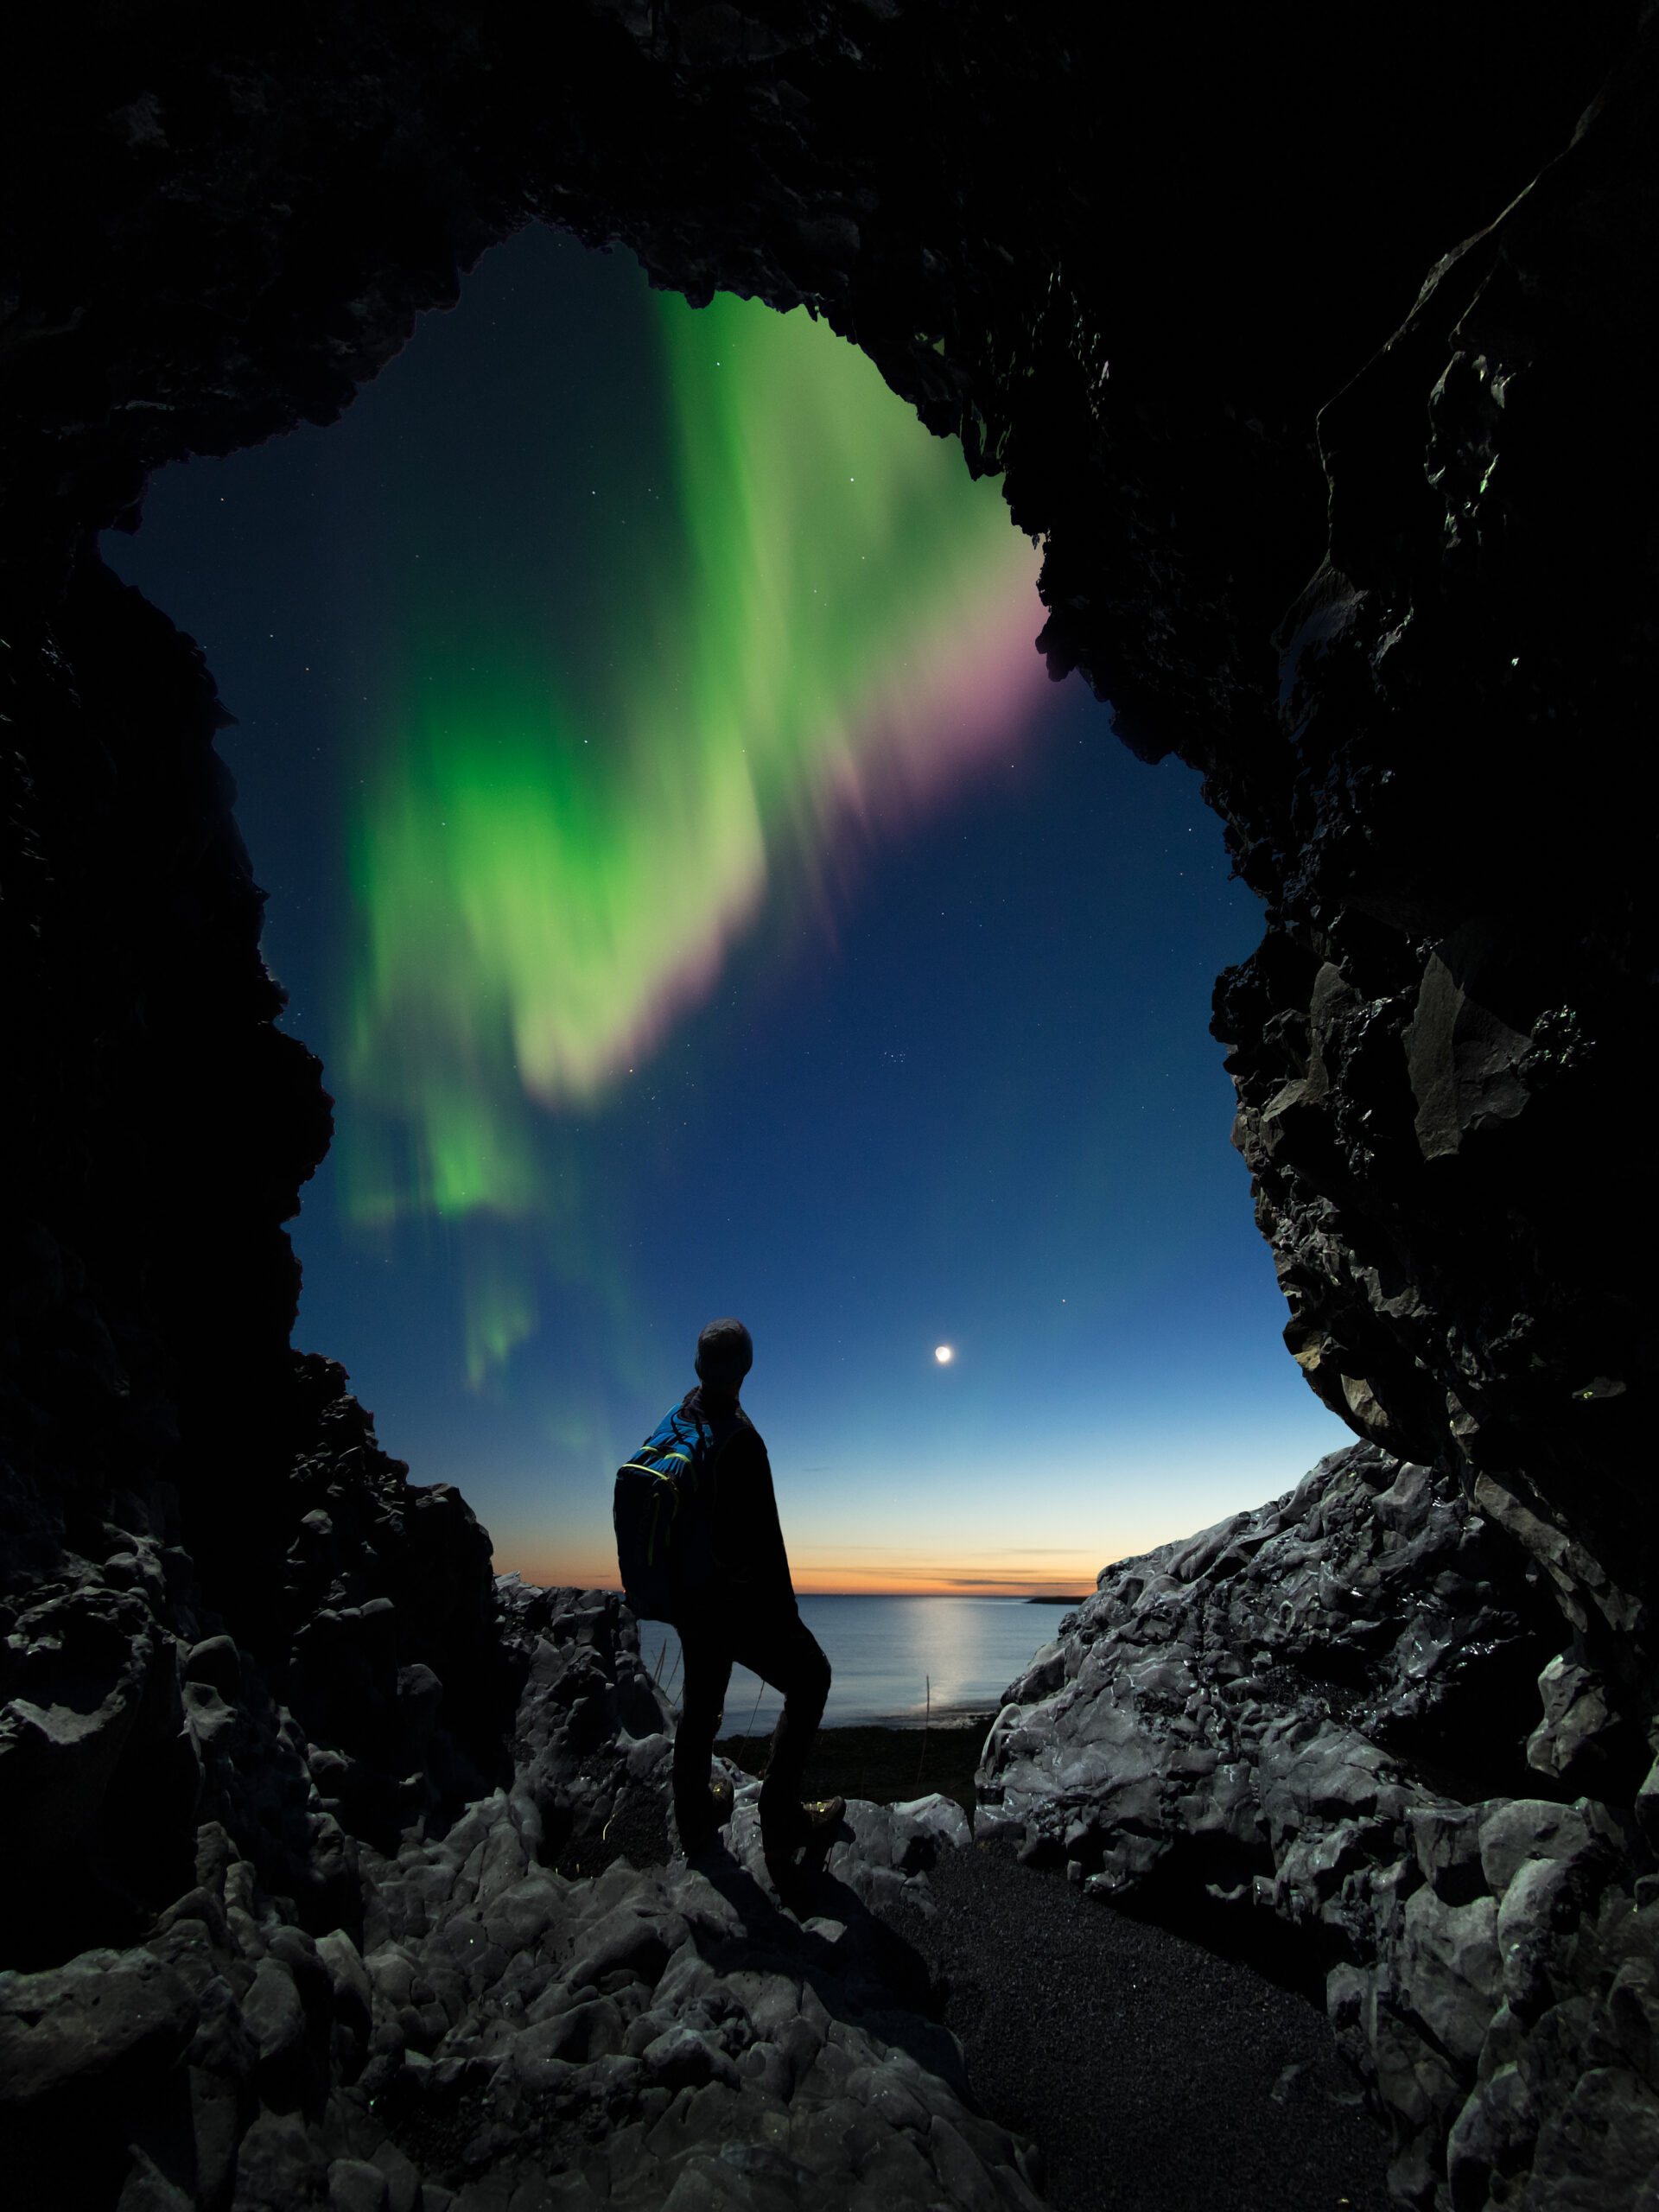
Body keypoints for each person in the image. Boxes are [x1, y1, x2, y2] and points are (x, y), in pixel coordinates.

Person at [668, 1317, 842, 1880]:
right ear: (746, 1368)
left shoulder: (682, 1417)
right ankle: (781, 1821)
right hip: (731, 1602)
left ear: (699, 1368)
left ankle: (693, 1812)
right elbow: (766, 1544)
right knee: (811, 1676)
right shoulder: (740, 1440)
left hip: (688, 1595)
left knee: (701, 1703)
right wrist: (785, 1617)